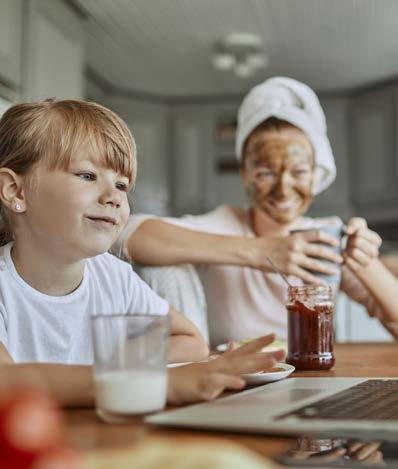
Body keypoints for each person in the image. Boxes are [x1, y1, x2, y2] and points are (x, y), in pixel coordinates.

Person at [0, 99, 284, 407]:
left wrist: (119, 369)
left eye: (122, 185)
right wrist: (158, 382)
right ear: (16, 191)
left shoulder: (113, 276)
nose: (114, 197)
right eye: (87, 175)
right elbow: (7, 382)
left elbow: (191, 342)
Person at [119, 76, 397, 346]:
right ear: (245, 173)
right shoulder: (225, 224)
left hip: (313, 374)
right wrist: (262, 252)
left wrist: (366, 261)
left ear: (315, 172)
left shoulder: (326, 236)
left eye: (299, 171)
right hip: (236, 382)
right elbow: (128, 233)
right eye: (266, 173)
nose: (283, 188)